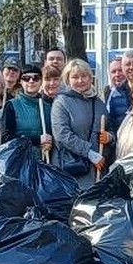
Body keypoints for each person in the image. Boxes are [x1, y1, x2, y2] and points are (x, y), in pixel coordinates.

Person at [51, 59, 111, 187]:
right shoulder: (61, 102)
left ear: (90, 78)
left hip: (98, 169)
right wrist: (89, 152)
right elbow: (62, 134)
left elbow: (110, 128)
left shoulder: (99, 103)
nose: (80, 80)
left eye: (84, 76)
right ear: (68, 80)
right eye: (75, 77)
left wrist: (110, 137)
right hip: (72, 169)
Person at [2, 65, 53, 162]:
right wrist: (37, 140)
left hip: (43, 161)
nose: (31, 81)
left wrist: (50, 142)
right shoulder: (11, 105)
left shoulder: (48, 106)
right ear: (20, 82)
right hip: (19, 161)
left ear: (41, 81)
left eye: (36, 78)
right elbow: (6, 138)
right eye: (26, 78)